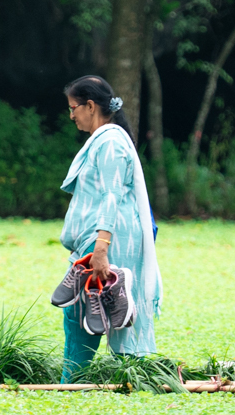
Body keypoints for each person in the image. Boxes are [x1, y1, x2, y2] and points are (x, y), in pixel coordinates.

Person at [55, 75, 162, 380]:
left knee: (89, 313)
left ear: (90, 106)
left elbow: (112, 195)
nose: (72, 115)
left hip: (106, 241)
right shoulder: (105, 141)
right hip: (98, 240)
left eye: (74, 108)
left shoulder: (111, 143)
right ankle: (77, 381)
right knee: (91, 312)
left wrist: (101, 247)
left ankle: (79, 382)